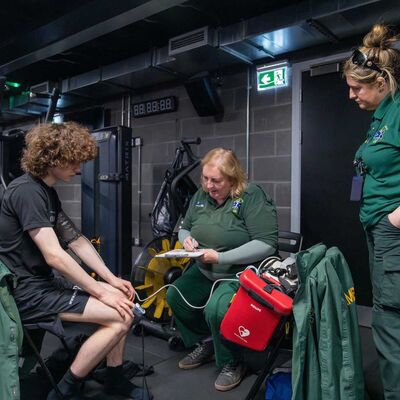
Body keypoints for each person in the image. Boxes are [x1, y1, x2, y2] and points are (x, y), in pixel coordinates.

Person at [0, 122, 152, 400]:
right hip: (24, 293)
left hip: (42, 284)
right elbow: (54, 255)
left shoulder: (46, 192)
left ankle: (114, 378)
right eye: (73, 162)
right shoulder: (25, 191)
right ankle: (64, 390)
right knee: (121, 316)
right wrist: (99, 290)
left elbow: (76, 240)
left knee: (119, 298)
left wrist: (111, 280)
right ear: (52, 158)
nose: (79, 169)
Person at [166, 147, 278, 392]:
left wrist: (222, 257)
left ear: (232, 178)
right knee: (176, 296)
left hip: (239, 271)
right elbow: (185, 227)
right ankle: (206, 342)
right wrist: (186, 239)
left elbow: (267, 244)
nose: (209, 185)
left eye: (216, 180)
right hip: (205, 268)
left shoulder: (251, 196)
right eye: (205, 179)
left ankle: (234, 362)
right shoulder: (200, 195)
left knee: (217, 309)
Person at [343, 24, 400, 400]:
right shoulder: (381, 119)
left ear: (381, 82)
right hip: (377, 227)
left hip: (392, 230)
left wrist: (396, 218)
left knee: (390, 319)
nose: (351, 95)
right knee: (386, 314)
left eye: (356, 87)